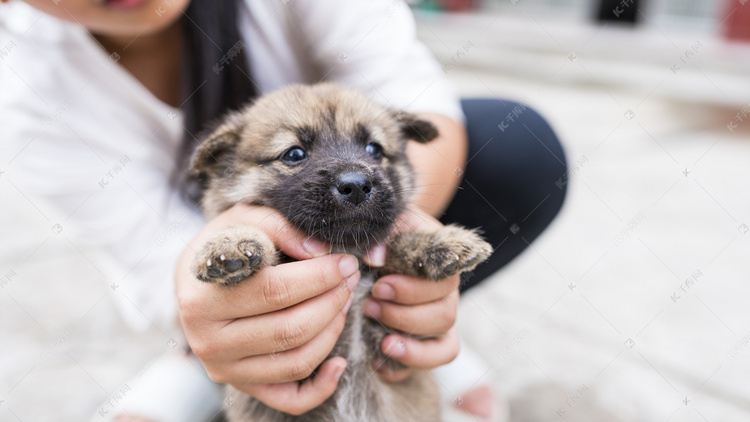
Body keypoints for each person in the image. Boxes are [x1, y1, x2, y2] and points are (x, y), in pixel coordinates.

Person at [0, 0, 566, 421]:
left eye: (368, 152)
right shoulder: (28, 99)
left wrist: (407, 256)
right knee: (221, 285)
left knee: (514, 150)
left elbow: (416, 105)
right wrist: (216, 310)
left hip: (379, 267)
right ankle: (204, 358)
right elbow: (155, 260)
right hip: (211, 258)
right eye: (295, 155)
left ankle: (399, 325)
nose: (350, 173)